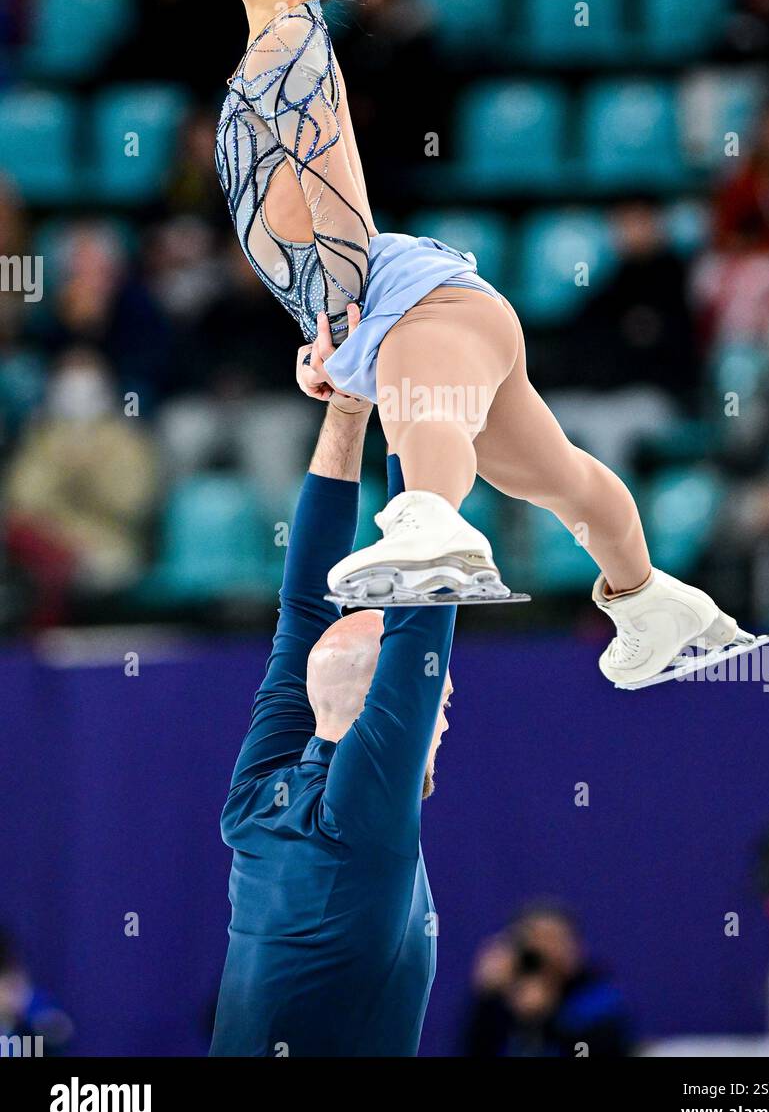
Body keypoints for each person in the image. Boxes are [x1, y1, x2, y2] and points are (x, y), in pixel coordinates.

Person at [213, 0, 765, 689]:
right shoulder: (274, 49)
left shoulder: (293, 41)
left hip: (410, 300)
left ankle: (434, 521)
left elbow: (340, 193)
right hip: (424, 305)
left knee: (426, 413)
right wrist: (325, 329)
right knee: (556, 476)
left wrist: (346, 312)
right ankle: (650, 596)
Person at [210, 343, 454, 1057]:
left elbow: (304, 606)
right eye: (436, 696)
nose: (442, 712)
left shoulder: (259, 800)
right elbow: (423, 597)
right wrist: (406, 389)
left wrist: (352, 402)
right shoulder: (359, 819)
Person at [464, 904, 632, 1058]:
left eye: (554, 939)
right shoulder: (502, 1001)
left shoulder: (599, 999)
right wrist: (486, 999)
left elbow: (586, 1052)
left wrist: (546, 1017)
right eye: (535, 939)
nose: (545, 950)